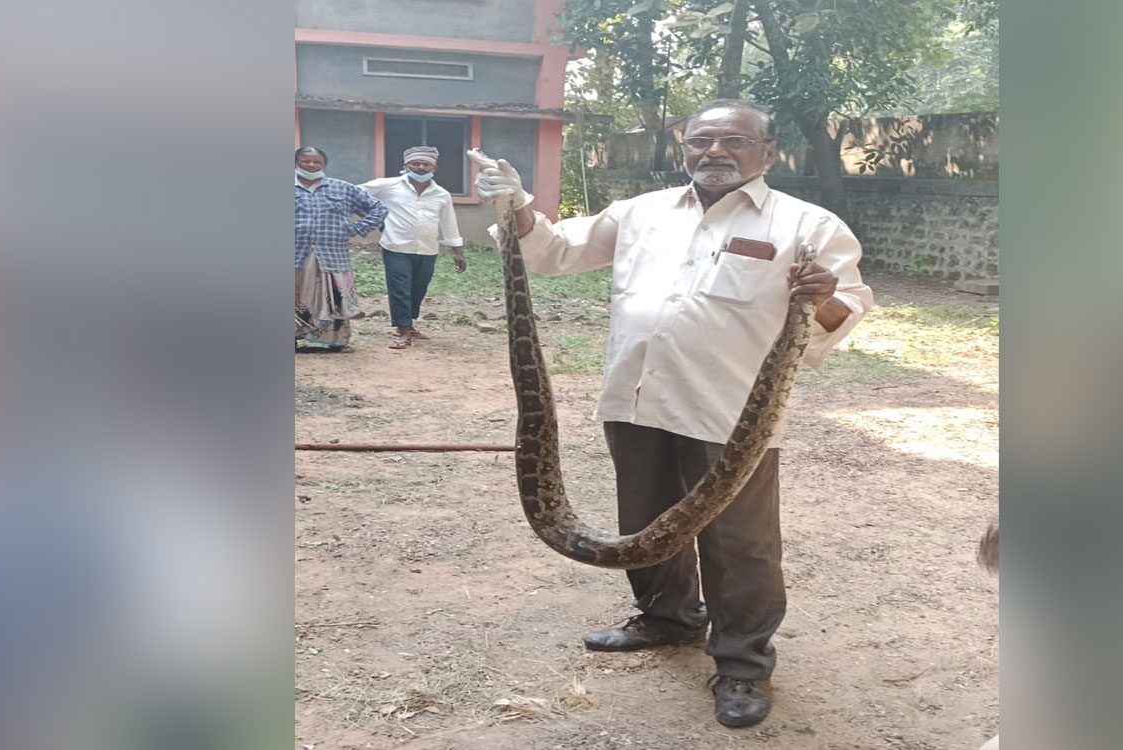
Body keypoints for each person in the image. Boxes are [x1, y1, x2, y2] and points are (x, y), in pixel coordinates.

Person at [475, 100, 874, 728]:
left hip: (732, 413)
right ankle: (668, 619)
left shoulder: (807, 224)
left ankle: (742, 665)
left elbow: (844, 307)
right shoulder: (642, 212)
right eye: (700, 140)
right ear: (683, 147)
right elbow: (554, 252)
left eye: (735, 140)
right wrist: (518, 206)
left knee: (739, 541)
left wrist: (822, 298)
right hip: (636, 398)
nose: (714, 151)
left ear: (767, 153)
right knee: (645, 520)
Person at [359, 146, 467, 349]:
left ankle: (408, 323)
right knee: (399, 288)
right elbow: (354, 194)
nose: (420, 167)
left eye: (426, 164)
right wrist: (373, 218)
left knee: (418, 289)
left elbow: (448, 222)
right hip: (395, 246)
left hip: (427, 249)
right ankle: (403, 329)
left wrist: (458, 252)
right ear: (405, 165)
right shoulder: (388, 186)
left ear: (434, 167)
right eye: (415, 163)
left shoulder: (441, 194)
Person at [294, 147, 388, 350]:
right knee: (295, 296)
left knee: (336, 297)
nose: (311, 165)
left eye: (316, 162)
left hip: (333, 254)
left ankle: (336, 340)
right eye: (305, 161)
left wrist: (357, 229)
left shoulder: (342, 188)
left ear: (324, 165)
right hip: (296, 254)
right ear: (296, 163)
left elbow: (379, 208)